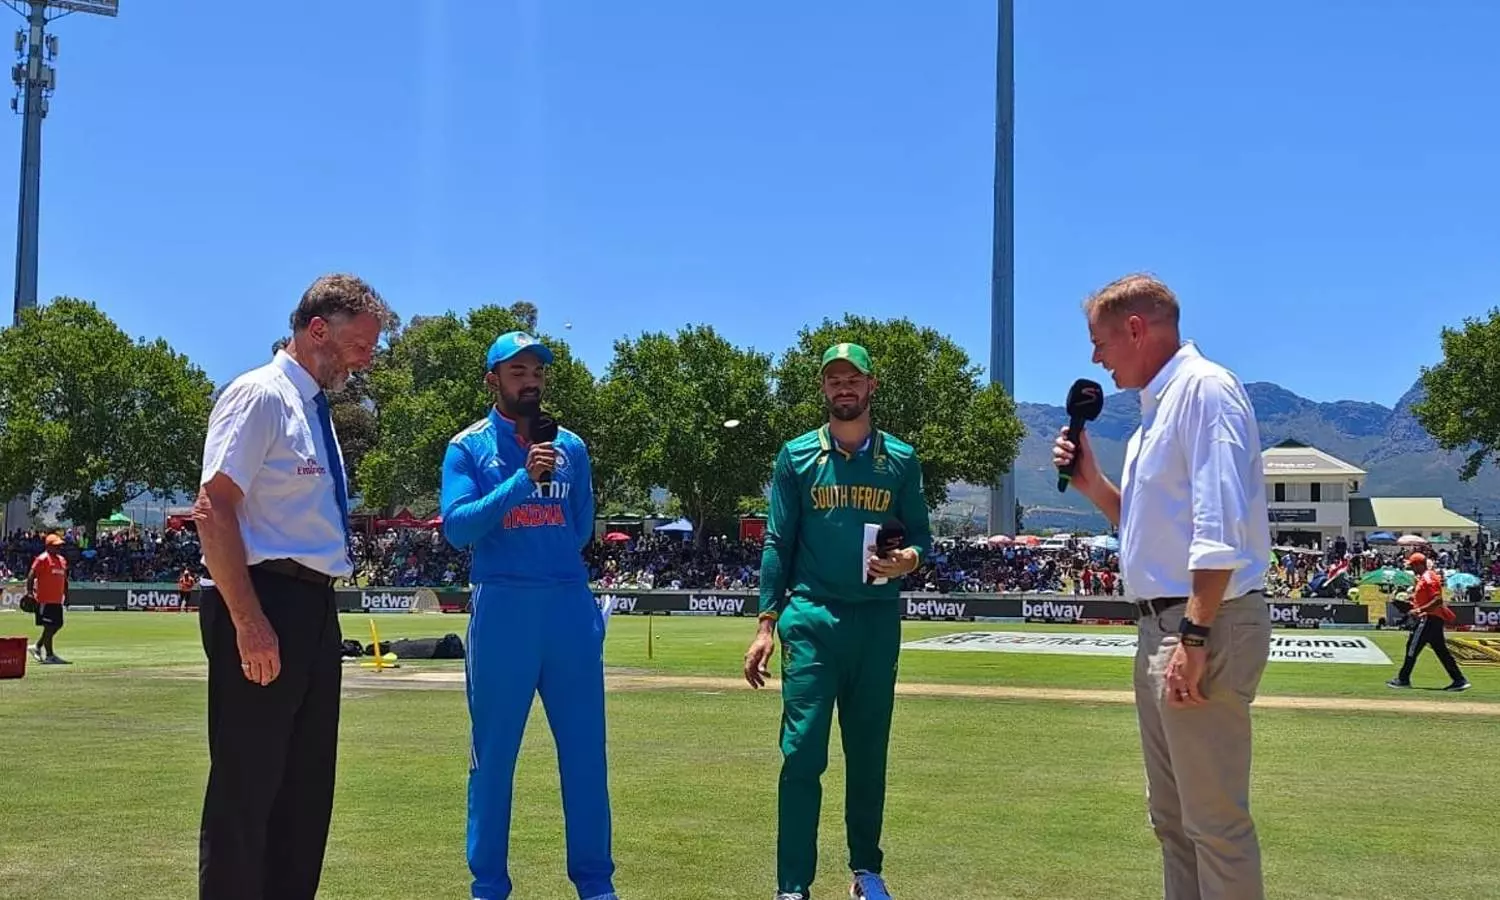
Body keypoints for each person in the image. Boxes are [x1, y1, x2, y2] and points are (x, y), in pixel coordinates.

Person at [1052, 274, 1274, 900]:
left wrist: (1194, 636)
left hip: (1202, 622)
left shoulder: (1205, 390)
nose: (1096, 358)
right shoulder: (1153, 415)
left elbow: (1220, 524)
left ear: (1135, 329)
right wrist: (1093, 484)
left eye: (1099, 342)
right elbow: (1148, 528)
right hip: (1165, 623)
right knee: (1173, 821)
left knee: (1213, 824)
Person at [193, 273, 387, 900]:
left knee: (305, 793)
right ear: (317, 329)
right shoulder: (260, 395)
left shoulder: (314, 411)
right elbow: (214, 508)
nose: (366, 358)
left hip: (313, 606)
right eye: (359, 344)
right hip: (263, 597)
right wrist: (249, 620)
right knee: (247, 789)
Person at [743, 342, 932, 900]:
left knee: (869, 754)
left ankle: (866, 871)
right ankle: (792, 885)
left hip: (875, 621)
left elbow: (921, 537)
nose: (844, 388)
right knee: (802, 753)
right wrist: (765, 623)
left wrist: (908, 559)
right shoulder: (797, 456)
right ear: (823, 389)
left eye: (853, 379)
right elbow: (777, 541)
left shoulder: (901, 459)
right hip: (811, 618)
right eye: (834, 380)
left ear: (872, 386)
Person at [440, 331, 616, 900]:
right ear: (492, 381)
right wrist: (521, 482)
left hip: (568, 604)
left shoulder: (573, 448)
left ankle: (596, 883)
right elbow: (457, 527)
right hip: (503, 607)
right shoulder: (468, 448)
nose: (531, 380)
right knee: (493, 757)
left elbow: (581, 526)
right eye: (517, 371)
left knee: (585, 753)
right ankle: (488, 885)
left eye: (537, 371)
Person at [1387, 552, 1469, 691]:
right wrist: (1411, 602)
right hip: (1432, 619)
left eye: (1413, 566)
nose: (1412, 569)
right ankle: (1459, 679)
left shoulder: (1428, 577)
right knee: (1441, 651)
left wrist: (1419, 610)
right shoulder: (1424, 578)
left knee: (1412, 647)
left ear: (1419, 565)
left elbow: (1437, 600)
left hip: (1428, 619)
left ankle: (1403, 679)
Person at [28, 533, 70, 665]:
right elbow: (31, 575)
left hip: (57, 600)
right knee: (49, 626)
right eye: (56, 546)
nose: (59, 548)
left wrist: (67, 595)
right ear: (48, 546)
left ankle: (37, 646)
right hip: (44, 600)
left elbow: (64, 579)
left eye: (60, 545)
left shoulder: (62, 560)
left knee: (57, 625)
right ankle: (49, 655)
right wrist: (29, 593)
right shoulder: (42, 559)